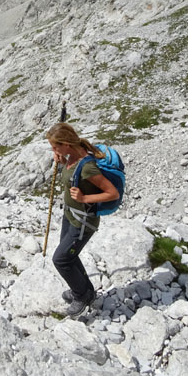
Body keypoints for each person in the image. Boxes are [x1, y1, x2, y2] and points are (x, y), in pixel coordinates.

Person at [46, 122, 119, 318]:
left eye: (56, 147)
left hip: (83, 222)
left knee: (60, 259)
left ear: (67, 144)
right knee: (69, 255)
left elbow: (111, 193)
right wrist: (61, 160)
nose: (54, 151)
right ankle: (86, 291)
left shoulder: (87, 166)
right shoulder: (72, 156)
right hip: (70, 215)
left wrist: (84, 198)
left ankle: (80, 297)